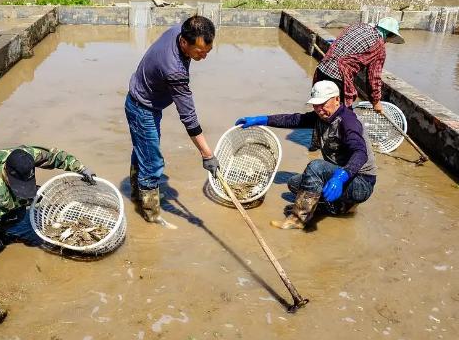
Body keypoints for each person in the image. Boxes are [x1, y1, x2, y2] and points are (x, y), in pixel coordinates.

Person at [0, 145, 95, 296]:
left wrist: (81, 168)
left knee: (32, 198)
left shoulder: (25, 156)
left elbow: (55, 156)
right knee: (23, 225)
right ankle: (0, 232)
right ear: (8, 176)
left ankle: (2, 226)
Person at [235, 81, 377, 229]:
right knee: (296, 183)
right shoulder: (321, 116)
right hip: (345, 178)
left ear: (336, 99)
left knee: (316, 167)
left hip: (361, 182)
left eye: (323, 104)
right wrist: (262, 119)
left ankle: (298, 219)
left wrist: (341, 177)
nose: (319, 109)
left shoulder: (348, 121)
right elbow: (293, 120)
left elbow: (360, 153)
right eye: (316, 105)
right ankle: (342, 206)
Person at [126, 15, 219, 228]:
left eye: (208, 52)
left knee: (143, 150)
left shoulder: (180, 29)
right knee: (152, 162)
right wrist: (207, 155)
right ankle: (151, 215)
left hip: (145, 99)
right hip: (142, 107)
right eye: (199, 52)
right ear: (184, 42)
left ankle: (135, 193)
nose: (204, 57)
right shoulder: (174, 70)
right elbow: (189, 118)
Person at [310, 17, 405, 150]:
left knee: (321, 108)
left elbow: (339, 43)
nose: (387, 43)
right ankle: (343, 148)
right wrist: (376, 102)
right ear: (389, 34)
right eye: (389, 40)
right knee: (344, 115)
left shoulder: (358, 26)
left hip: (322, 69)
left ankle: (315, 144)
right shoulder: (379, 47)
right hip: (338, 76)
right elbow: (374, 78)